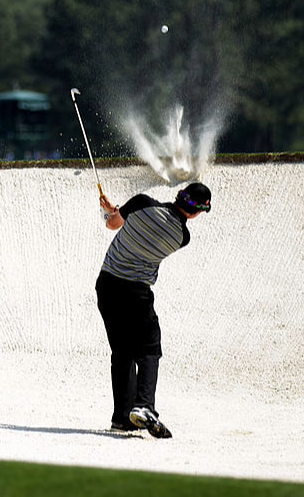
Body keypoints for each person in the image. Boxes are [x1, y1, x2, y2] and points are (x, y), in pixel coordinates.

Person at [96, 182, 212, 438]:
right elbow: (148, 223)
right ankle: (144, 406)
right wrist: (117, 211)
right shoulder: (182, 238)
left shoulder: (141, 203)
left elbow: (113, 224)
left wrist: (110, 212)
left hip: (107, 286)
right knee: (149, 348)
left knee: (122, 352)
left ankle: (122, 418)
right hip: (136, 292)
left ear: (179, 196)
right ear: (196, 213)